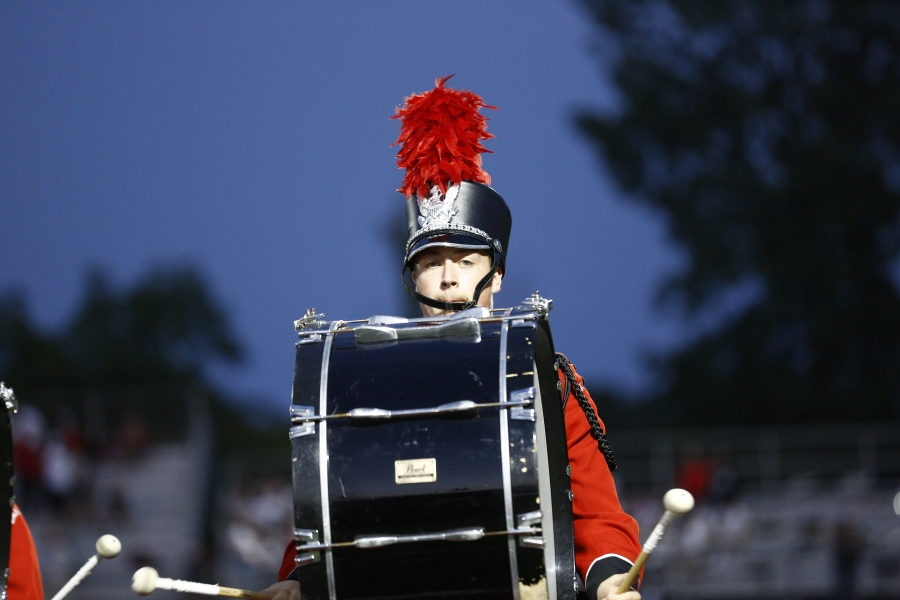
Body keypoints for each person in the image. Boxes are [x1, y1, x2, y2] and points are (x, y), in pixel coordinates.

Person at [265, 76, 642, 600]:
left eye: (466, 262)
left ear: (498, 275)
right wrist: (295, 581)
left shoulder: (546, 379)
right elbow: (328, 509)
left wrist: (607, 583)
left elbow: (599, 515)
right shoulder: (363, 383)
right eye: (430, 264)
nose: (448, 279)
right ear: (410, 279)